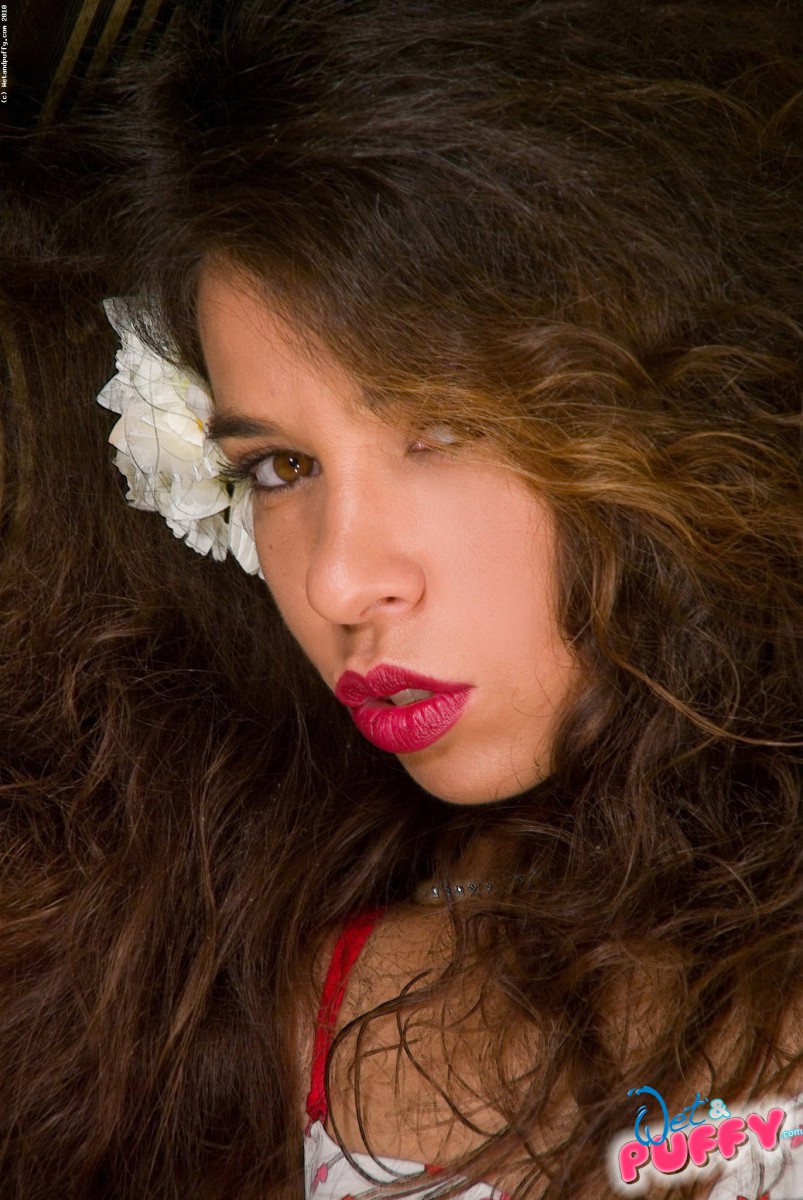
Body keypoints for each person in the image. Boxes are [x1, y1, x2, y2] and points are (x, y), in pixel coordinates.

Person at [1, 1, 801, 1197]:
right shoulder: (246, 1022)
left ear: (677, 406)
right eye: (281, 467)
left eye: (443, 429)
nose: (337, 580)